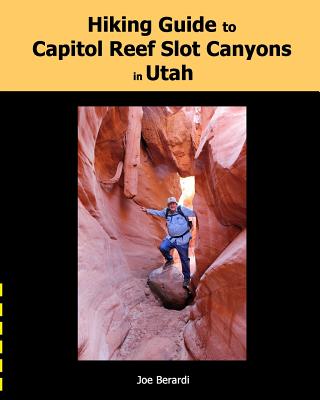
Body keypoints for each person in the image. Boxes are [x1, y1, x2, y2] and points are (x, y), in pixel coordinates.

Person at [141, 197, 196, 288]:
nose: (172, 205)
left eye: (173, 203)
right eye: (170, 204)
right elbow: (157, 212)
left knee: (184, 260)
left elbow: (194, 213)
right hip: (171, 238)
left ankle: (186, 278)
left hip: (182, 239)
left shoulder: (181, 209)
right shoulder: (166, 211)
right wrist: (147, 210)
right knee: (163, 247)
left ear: (176, 204)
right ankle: (170, 259)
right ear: (168, 206)